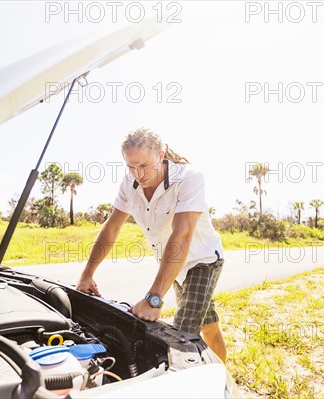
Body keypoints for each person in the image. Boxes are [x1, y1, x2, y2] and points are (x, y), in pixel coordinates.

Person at [76, 127, 227, 362]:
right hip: (174, 267)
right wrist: (87, 274)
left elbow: (183, 234)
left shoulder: (188, 178)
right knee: (208, 326)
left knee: (182, 336)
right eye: (131, 166)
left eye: (144, 165)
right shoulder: (129, 184)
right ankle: (223, 376)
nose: (138, 173)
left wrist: (154, 298)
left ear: (160, 155)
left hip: (202, 261)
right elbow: (112, 228)